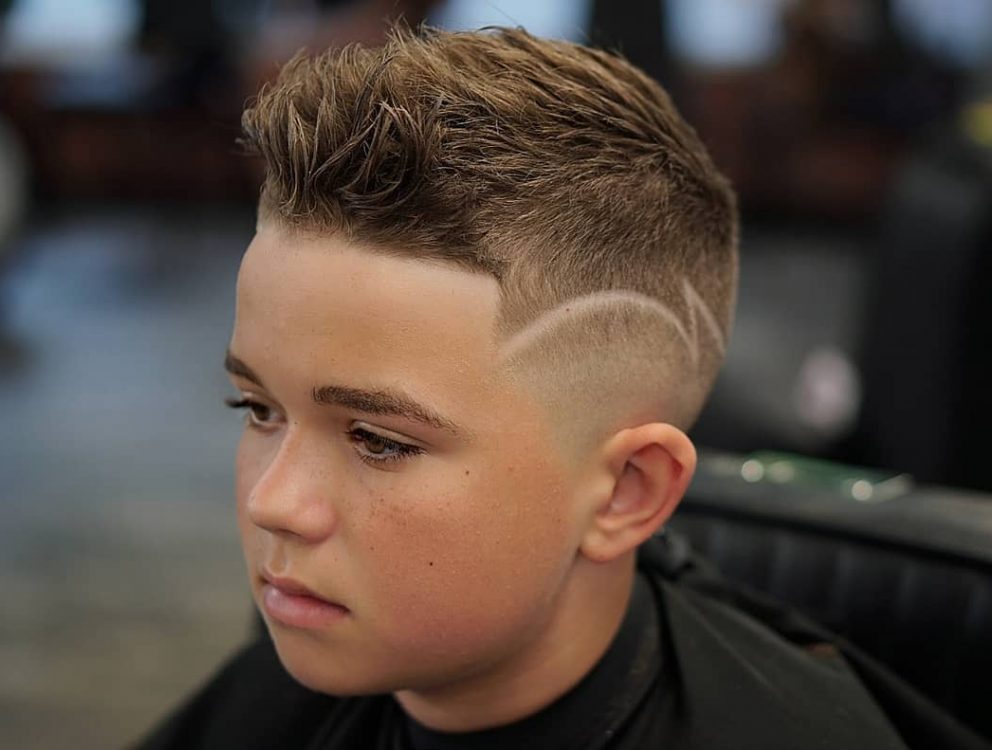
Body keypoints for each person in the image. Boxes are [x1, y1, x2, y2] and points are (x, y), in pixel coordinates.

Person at [135, 24, 991, 750]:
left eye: (379, 440)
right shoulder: (299, 682)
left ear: (626, 491)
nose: (274, 504)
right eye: (258, 409)